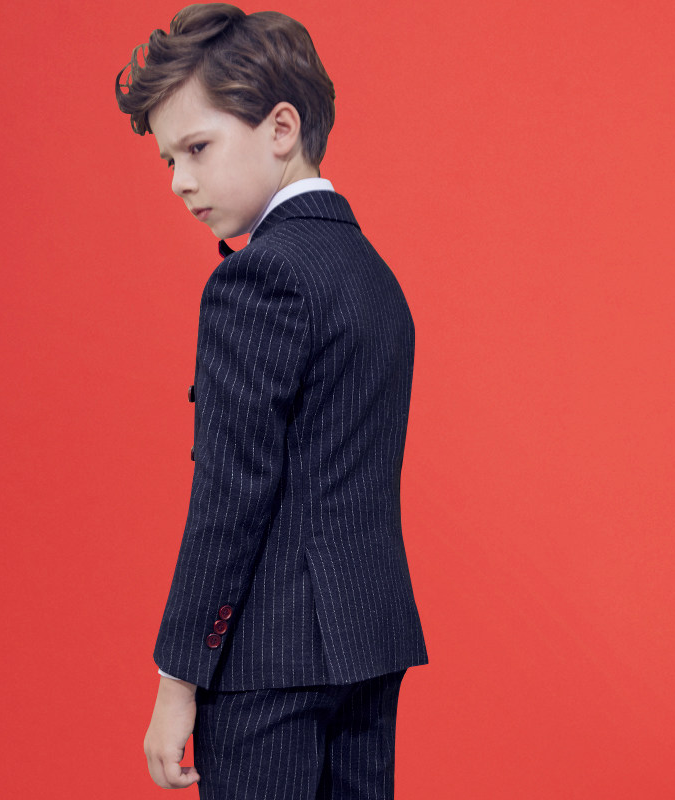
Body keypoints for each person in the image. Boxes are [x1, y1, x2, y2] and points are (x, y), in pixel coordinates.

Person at [114, 4, 428, 797]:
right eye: (168, 159)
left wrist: (178, 677)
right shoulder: (373, 276)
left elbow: (231, 494)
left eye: (197, 147)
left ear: (281, 128)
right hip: (369, 643)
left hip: (269, 658)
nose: (180, 181)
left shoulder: (259, 275)